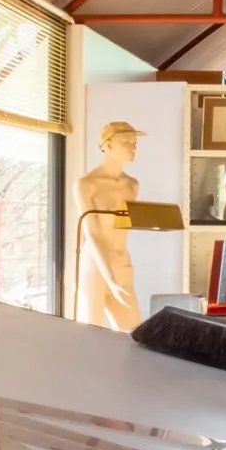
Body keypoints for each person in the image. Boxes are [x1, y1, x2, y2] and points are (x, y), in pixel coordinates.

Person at [74, 121, 143, 331]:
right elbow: (93, 233)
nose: (132, 148)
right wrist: (109, 277)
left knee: (133, 334)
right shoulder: (87, 184)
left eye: (134, 143)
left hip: (122, 262)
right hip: (95, 264)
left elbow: (124, 226)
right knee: (89, 335)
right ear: (107, 145)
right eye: (125, 142)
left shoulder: (132, 185)